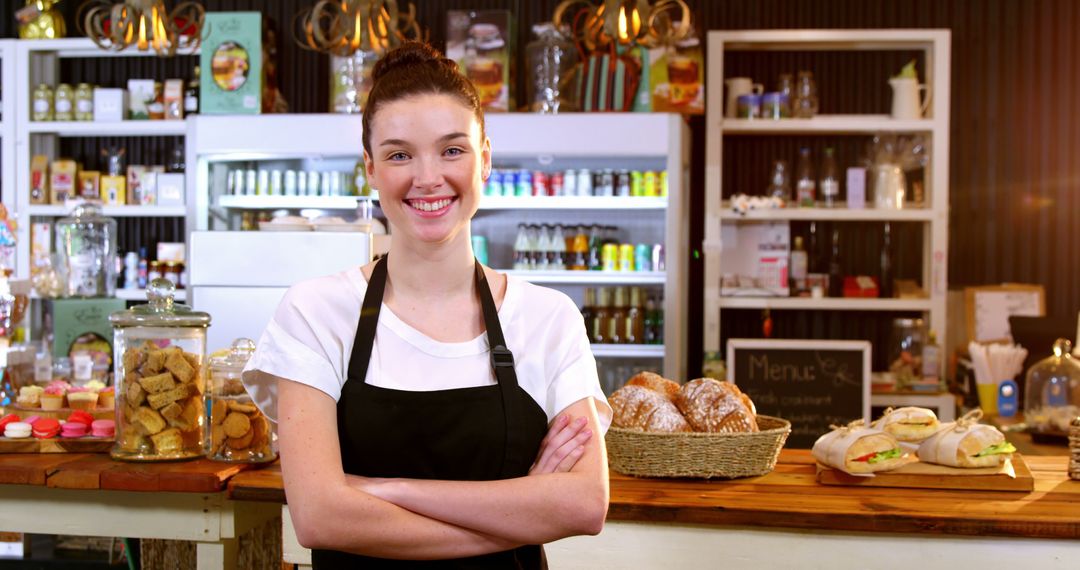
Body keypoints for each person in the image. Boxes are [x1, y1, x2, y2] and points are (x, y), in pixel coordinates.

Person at [242, 41, 612, 567]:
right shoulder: (314, 312)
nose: (428, 177)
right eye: (399, 154)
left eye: (452, 149)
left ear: (484, 160)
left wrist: (389, 490)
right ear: (370, 168)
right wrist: (520, 512)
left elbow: (583, 504)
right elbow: (320, 517)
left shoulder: (549, 319)